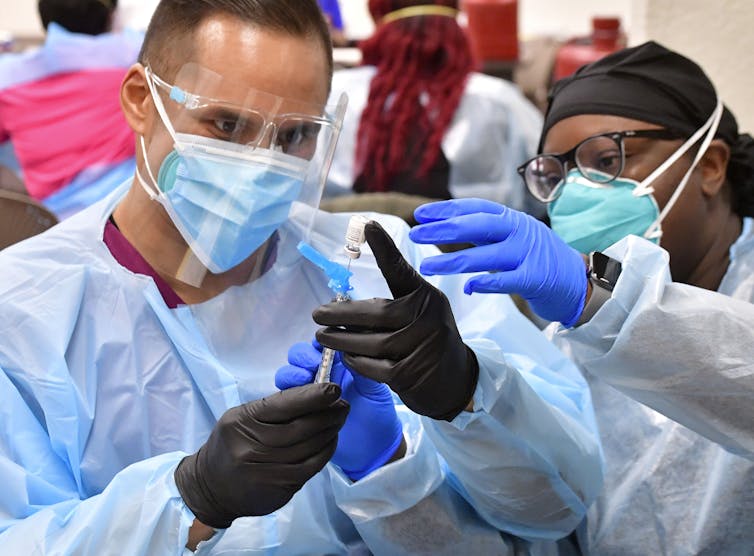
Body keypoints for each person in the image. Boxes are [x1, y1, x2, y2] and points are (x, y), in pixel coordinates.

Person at [0, 0, 604, 553]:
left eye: (294, 135)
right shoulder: (25, 313)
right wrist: (191, 501)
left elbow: (556, 506)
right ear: (140, 99)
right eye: (226, 125)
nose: (261, 163)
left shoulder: (386, 269)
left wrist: (458, 398)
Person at [408, 41, 754, 553]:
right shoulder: (569, 337)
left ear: (710, 167)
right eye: (556, 175)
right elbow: (543, 520)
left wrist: (603, 304)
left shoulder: (595, 310)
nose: (573, 195)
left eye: (608, 160)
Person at [324, 0, 545, 219]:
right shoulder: (498, 100)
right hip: (474, 251)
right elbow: (545, 192)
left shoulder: (334, 95)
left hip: (347, 247)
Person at [0, 0, 142, 219]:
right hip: (128, 218)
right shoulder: (138, 58)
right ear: (111, 15)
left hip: (51, 225)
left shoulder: (8, 78)